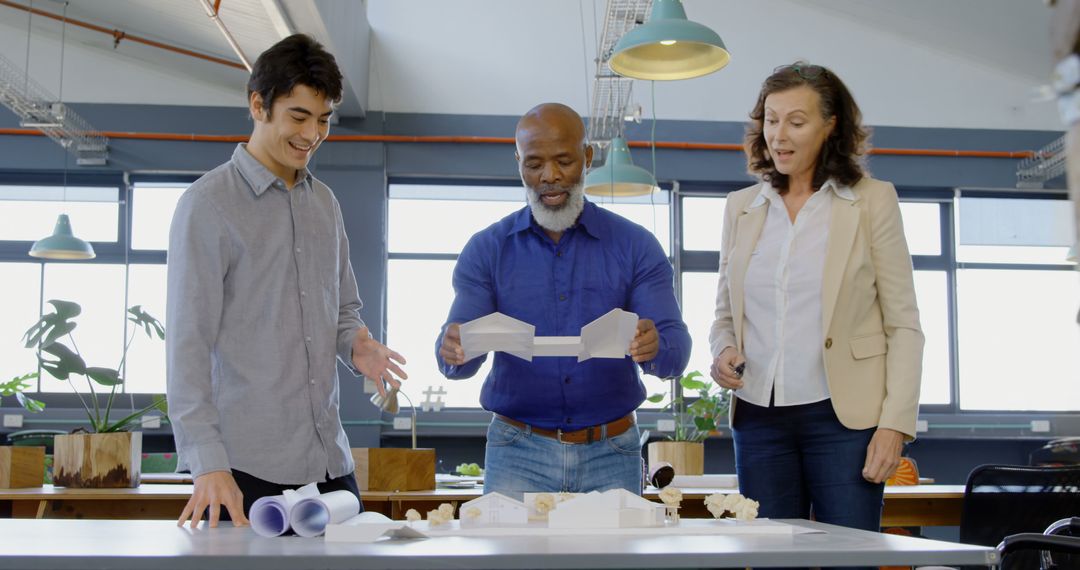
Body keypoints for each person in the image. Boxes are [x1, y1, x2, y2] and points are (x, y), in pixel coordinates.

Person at [166, 34, 407, 528]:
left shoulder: (326, 205)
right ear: (259, 104)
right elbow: (187, 344)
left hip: (329, 464)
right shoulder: (207, 206)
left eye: (323, 120)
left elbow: (342, 312)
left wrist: (355, 346)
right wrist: (207, 461)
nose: (312, 134)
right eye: (298, 117)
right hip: (243, 469)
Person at [708, 63, 923, 539]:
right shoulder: (740, 207)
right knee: (769, 560)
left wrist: (894, 425)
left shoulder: (872, 201)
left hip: (843, 419)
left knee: (850, 560)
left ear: (831, 126)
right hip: (759, 418)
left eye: (796, 122)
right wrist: (723, 349)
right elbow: (726, 312)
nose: (778, 135)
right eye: (770, 119)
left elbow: (903, 323)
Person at [436, 103, 691, 500]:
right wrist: (452, 350)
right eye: (534, 164)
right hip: (516, 452)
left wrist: (656, 346)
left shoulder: (635, 245)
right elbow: (457, 361)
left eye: (564, 161)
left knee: (612, 564)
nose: (550, 177)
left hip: (611, 450)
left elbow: (676, 352)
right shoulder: (487, 250)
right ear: (518, 162)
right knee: (512, 564)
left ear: (587, 158)